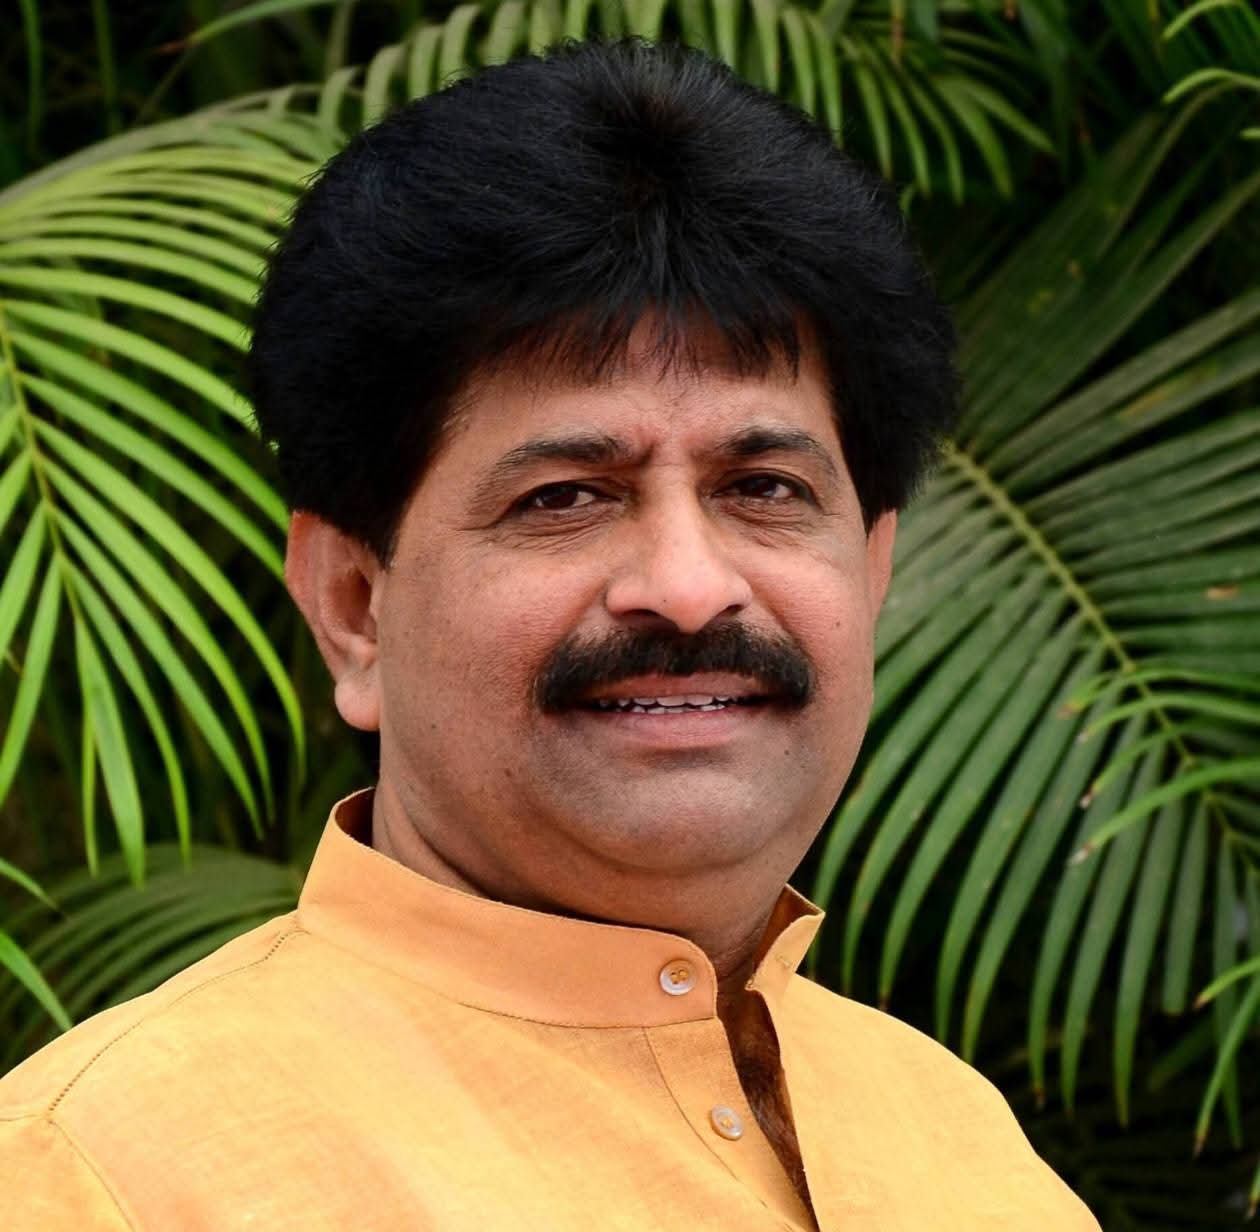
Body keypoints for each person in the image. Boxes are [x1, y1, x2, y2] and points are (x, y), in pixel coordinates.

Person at [0, 38, 1099, 1231]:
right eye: (564, 495)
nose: (689, 588)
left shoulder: (963, 1146)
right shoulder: (101, 1173)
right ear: (354, 606)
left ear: (871, 571)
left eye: (764, 488)